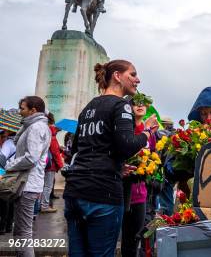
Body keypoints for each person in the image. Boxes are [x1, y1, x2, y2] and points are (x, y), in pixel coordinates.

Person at [63, 60, 158, 257]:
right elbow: (127, 145)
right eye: (132, 74)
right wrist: (147, 132)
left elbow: (78, 150)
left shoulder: (88, 107)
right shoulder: (121, 105)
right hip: (102, 193)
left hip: (75, 191)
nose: (137, 80)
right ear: (117, 76)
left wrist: (116, 165)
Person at [5, 96, 51, 257]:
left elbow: (31, 157)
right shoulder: (33, 126)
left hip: (28, 185)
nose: (20, 111)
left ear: (33, 110)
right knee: (20, 231)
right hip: (26, 184)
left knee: (23, 233)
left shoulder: (36, 127)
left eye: (23, 108)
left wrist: (9, 165)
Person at [121, 98, 157, 257]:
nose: (140, 105)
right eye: (135, 103)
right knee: (125, 238)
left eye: (143, 103)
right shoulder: (124, 129)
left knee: (135, 238)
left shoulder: (150, 132)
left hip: (141, 194)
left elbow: (154, 157)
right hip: (121, 192)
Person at [40, 112, 63, 213]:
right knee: (48, 186)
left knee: (43, 185)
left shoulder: (46, 132)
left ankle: (41, 205)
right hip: (51, 165)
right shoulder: (52, 134)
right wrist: (61, 165)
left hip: (45, 163)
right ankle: (44, 206)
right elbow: (54, 151)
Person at [0, 130, 16, 234]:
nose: (3, 138)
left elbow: (2, 159)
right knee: (10, 200)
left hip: (6, 174)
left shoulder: (8, 144)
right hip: (15, 174)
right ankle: (8, 226)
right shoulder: (18, 142)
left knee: (4, 200)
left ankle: (2, 227)